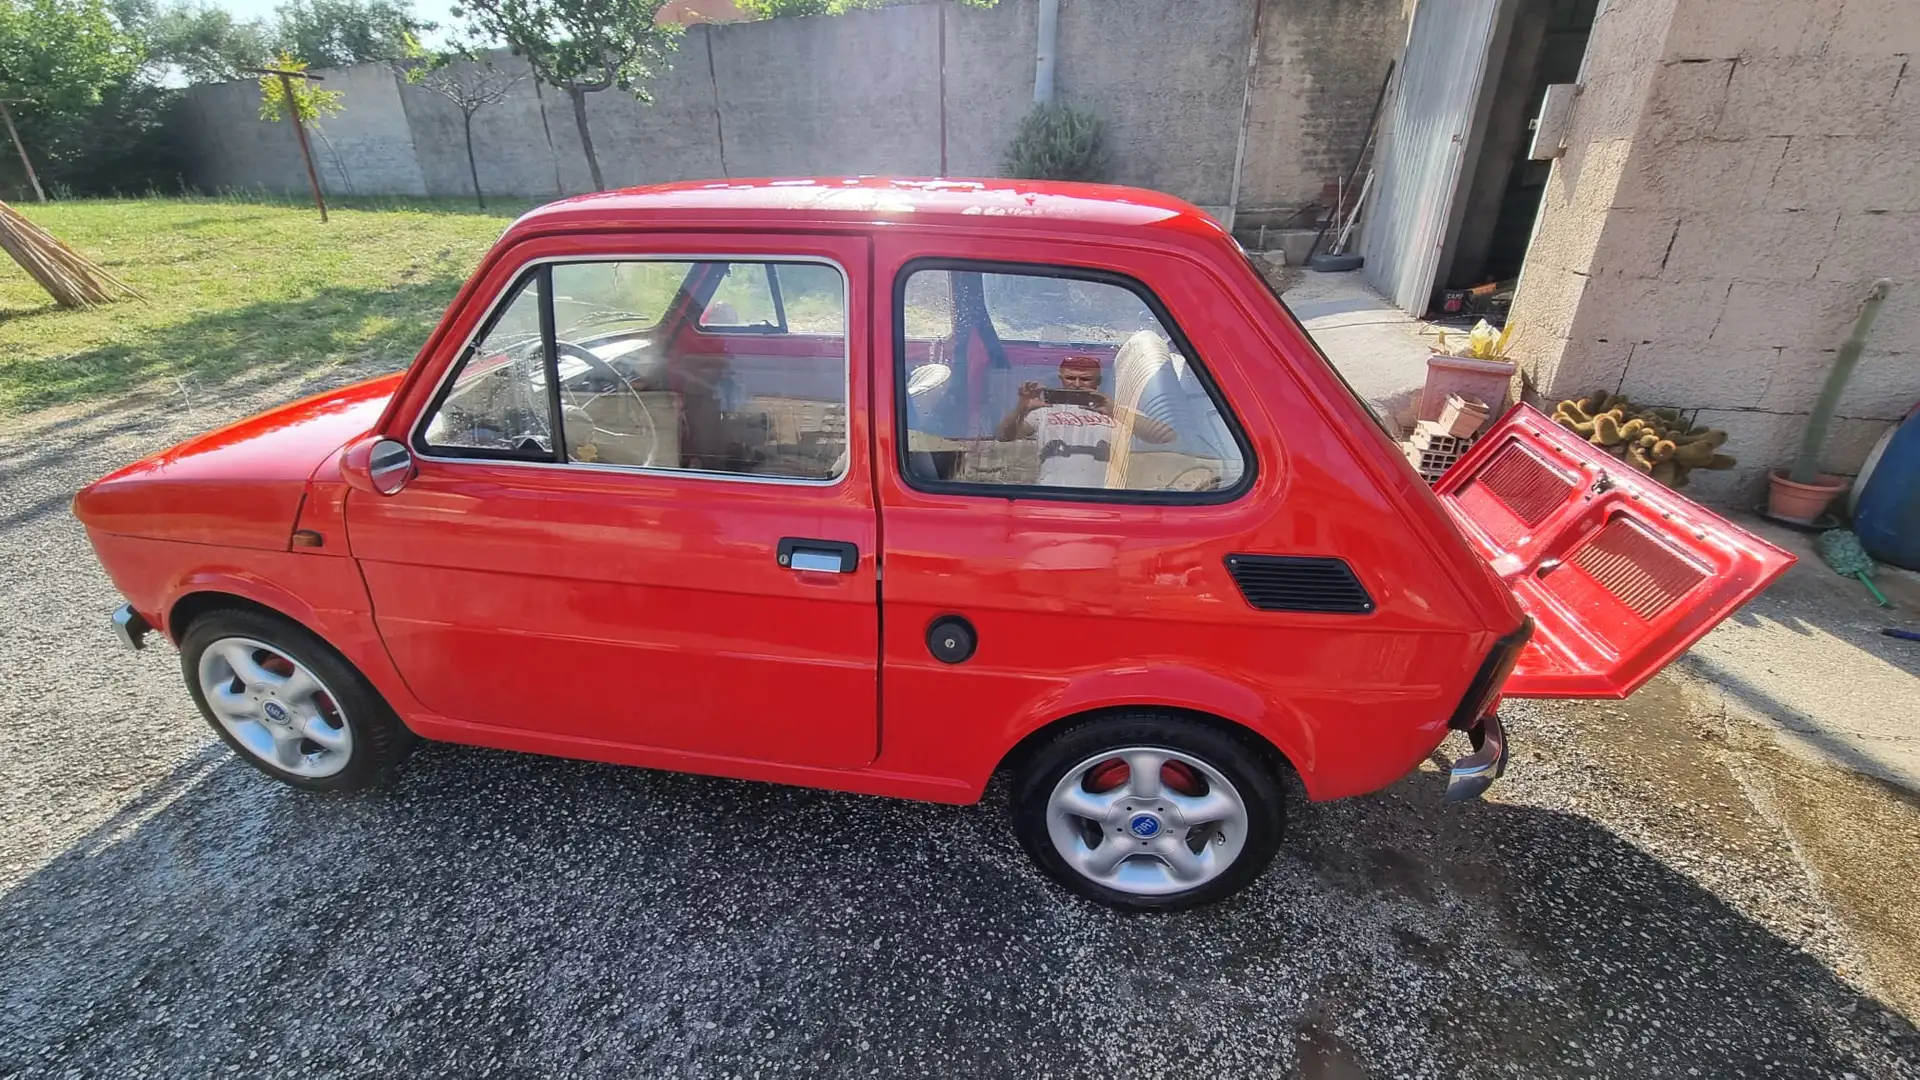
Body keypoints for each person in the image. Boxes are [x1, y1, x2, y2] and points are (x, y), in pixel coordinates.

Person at [997, 355, 1173, 487]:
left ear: (1099, 381)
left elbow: (1165, 437)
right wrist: (1022, 407)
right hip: (1051, 496)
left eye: (1086, 379)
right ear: (1061, 379)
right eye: (1070, 378)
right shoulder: (1043, 409)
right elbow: (1004, 436)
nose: (1077, 384)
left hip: (1106, 499)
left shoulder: (1116, 410)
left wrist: (1115, 411)